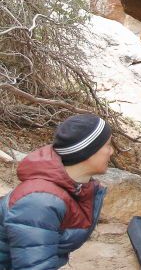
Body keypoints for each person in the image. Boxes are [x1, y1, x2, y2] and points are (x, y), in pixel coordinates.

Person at [0, 114, 113, 269]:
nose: (111, 152)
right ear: (88, 151)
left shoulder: (75, 189)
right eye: (107, 145)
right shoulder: (40, 203)